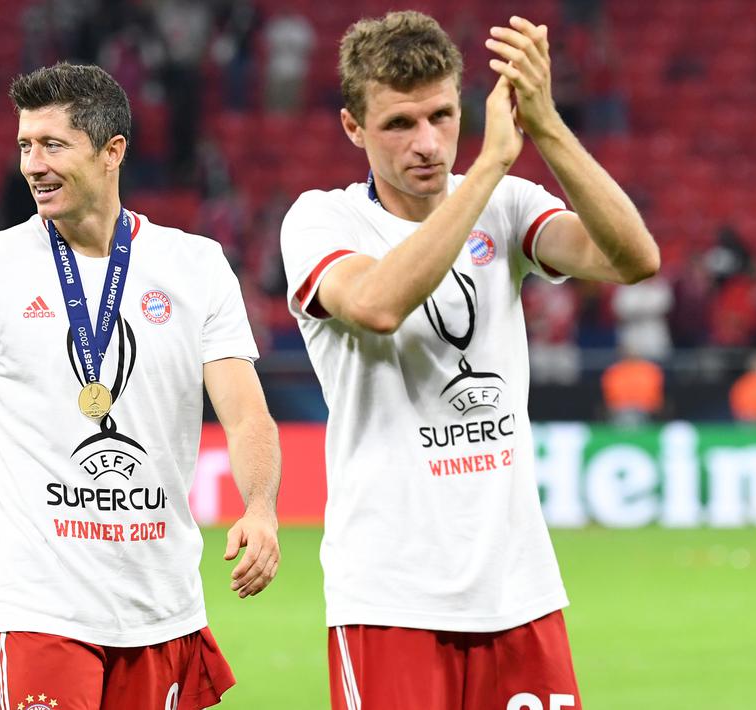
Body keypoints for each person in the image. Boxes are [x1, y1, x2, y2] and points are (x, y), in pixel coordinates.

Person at [0, 63, 281, 710]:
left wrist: (259, 507)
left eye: (52, 145)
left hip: (162, 607)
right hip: (40, 611)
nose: (33, 164)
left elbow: (246, 415)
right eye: (25, 145)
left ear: (112, 152)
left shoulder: (194, 268)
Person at [280, 12, 658, 710]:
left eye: (441, 116)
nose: (426, 143)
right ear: (351, 127)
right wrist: (487, 165)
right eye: (398, 124)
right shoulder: (319, 220)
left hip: (519, 588)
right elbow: (376, 304)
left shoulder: (507, 204)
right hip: (391, 595)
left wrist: (544, 127)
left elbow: (634, 259)